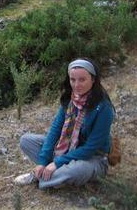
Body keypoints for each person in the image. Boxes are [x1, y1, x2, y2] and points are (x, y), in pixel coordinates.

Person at [15, 58, 114, 189]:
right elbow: (55, 130)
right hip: (67, 149)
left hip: (93, 158)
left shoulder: (103, 108)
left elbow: (91, 148)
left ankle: (43, 177)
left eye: (82, 80)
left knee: (75, 170)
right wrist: (42, 161)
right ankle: (50, 174)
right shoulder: (70, 99)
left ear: (93, 79)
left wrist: (57, 162)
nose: (76, 85)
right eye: (73, 80)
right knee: (26, 140)